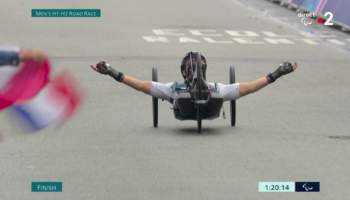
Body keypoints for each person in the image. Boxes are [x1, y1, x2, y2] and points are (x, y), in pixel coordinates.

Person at [89, 51, 297, 112]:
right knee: (149, 88)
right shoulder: (172, 89)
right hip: (181, 101)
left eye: (199, 68)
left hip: (211, 99)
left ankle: (203, 95)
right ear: (184, 72)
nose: (195, 71)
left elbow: (250, 87)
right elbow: (142, 85)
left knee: (228, 91)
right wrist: (111, 72)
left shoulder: (218, 89)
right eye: (191, 69)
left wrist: (278, 72)